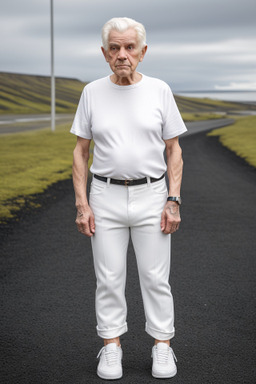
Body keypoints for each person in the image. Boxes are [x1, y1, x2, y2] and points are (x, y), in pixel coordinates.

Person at [71, 17, 187, 380]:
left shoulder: (159, 90)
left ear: (143, 52)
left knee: (155, 276)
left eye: (130, 47)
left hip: (153, 194)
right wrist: (82, 203)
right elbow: (80, 151)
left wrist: (173, 199)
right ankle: (111, 347)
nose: (123, 55)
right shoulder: (91, 92)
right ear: (105, 54)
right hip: (104, 195)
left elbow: (174, 149)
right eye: (115, 48)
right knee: (108, 276)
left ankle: (163, 347)